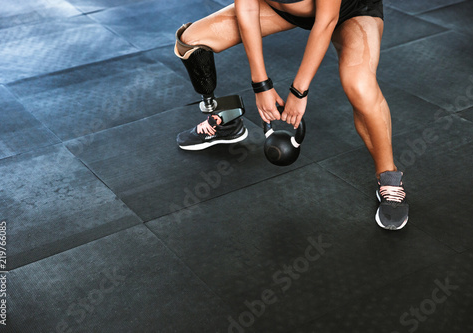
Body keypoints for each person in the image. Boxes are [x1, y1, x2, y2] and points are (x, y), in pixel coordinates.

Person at [173, 0, 409, 230]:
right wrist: (261, 84)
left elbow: (327, 21)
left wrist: (298, 91)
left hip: (352, 9)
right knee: (191, 41)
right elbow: (247, 7)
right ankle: (225, 118)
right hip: (286, 11)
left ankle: (388, 176)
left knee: (359, 85)